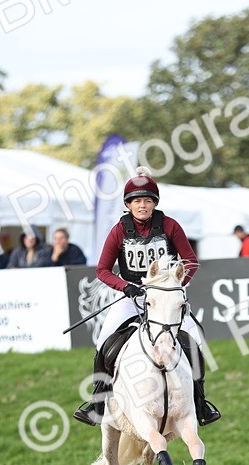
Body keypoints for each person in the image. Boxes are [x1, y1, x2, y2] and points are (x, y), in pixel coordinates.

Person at [73, 167, 221, 427]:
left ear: (154, 203)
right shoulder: (119, 230)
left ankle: (200, 403)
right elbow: (102, 270)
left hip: (165, 300)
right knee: (104, 339)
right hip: (133, 298)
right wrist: (125, 287)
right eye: (137, 201)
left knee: (194, 341)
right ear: (128, 205)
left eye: (148, 200)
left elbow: (191, 261)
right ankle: (98, 402)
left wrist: (175, 286)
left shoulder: (170, 226)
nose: (143, 205)